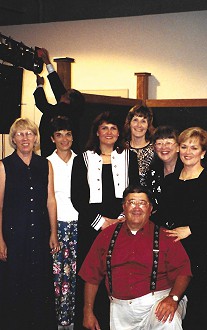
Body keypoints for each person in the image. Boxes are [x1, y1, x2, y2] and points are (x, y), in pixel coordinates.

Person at [79, 185, 192, 330]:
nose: (136, 207)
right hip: (120, 311)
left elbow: (184, 271)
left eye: (142, 203)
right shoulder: (106, 236)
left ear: (150, 209)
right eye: (131, 202)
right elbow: (91, 276)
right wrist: (87, 311)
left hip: (157, 304)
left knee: (169, 321)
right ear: (124, 207)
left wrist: (173, 298)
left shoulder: (165, 236)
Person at [153, 127, 207, 329]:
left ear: (203, 152)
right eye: (184, 146)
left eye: (194, 148)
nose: (188, 152)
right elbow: (163, 216)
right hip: (178, 254)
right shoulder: (170, 182)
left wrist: (191, 229)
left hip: (206, 254)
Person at [71, 111, 139, 330]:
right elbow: (78, 197)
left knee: (119, 275)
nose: (109, 132)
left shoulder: (130, 158)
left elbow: (135, 192)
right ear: (97, 132)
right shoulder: (82, 158)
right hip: (93, 227)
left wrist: (121, 220)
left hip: (123, 224)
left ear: (119, 133)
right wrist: (102, 222)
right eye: (104, 128)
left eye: (113, 128)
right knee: (92, 276)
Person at [0, 118, 60, 330]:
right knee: (15, 283)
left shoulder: (45, 165)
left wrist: (54, 233)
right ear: (13, 139)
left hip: (41, 233)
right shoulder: (4, 166)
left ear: (35, 138)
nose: (25, 138)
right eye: (20, 134)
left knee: (40, 283)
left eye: (29, 134)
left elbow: (50, 200)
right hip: (15, 236)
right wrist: (0, 240)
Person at [47, 116, 79, 330]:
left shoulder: (83, 159)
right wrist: (53, 232)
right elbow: (49, 198)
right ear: (52, 138)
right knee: (58, 275)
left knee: (76, 273)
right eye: (59, 135)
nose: (64, 139)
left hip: (80, 223)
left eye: (68, 134)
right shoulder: (46, 162)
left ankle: (74, 320)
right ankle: (59, 321)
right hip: (57, 224)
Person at [34, 48, 85, 157]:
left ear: (67, 99)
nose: (62, 92)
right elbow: (57, 85)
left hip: (52, 153)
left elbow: (41, 104)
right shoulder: (73, 111)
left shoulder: (59, 110)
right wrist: (47, 62)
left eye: (66, 93)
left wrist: (39, 85)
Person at [146, 125, 183, 210]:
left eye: (168, 143)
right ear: (154, 148)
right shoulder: (152, 173)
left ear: (178, 147)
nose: (163, 147)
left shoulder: (187, 172)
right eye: (159, 143)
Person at [123, 104, 155, 186]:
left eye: (143, 121)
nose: (139, 125)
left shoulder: (155, 149)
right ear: (129, 123)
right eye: (135, 120)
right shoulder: (121, 149)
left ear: (148, 125)